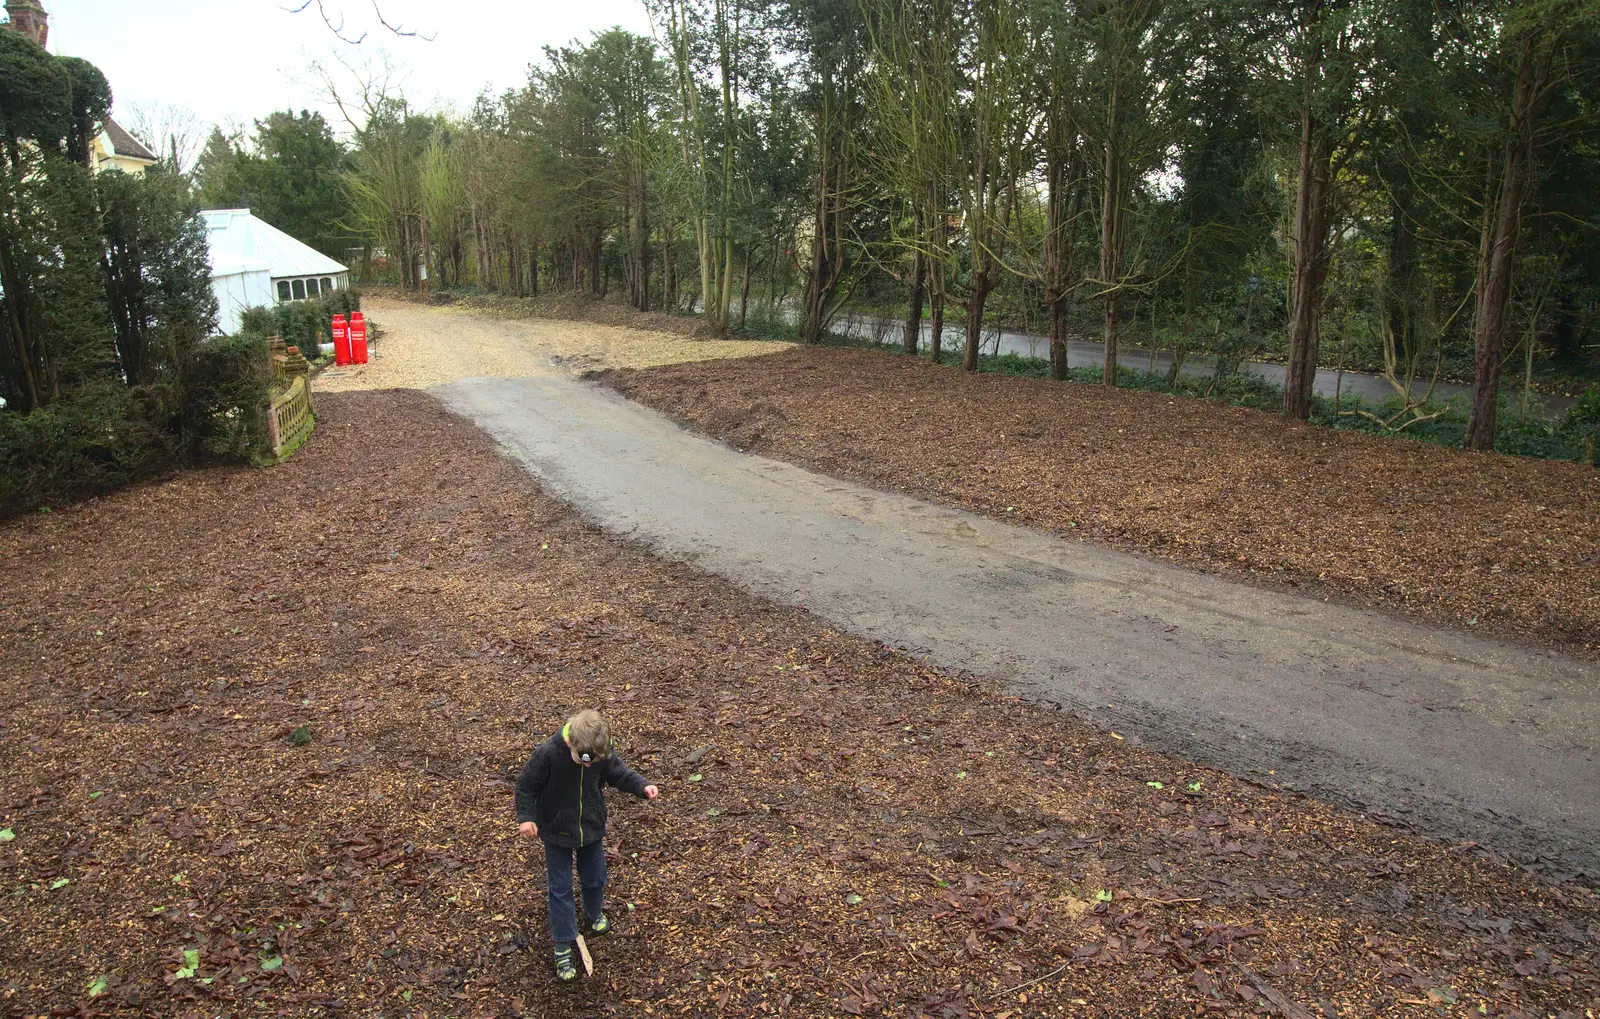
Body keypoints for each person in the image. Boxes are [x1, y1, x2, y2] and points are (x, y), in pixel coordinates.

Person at [515, 709, 659, 981]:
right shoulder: (547, 754)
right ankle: (562, 943)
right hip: (556, 830)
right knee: (560, 888)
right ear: (570, 743)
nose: (589, 766)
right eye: (584, 761)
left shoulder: (598, 753)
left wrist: (642, 786)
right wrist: (526, 818)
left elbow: (619, 773)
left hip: (590, 827)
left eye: (594, 761)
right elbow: (525, 787)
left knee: (594, 878)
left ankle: (593, 914)